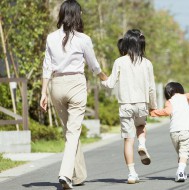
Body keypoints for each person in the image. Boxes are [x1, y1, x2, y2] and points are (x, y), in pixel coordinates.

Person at [39, 0, 107, 189]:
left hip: (56, 85)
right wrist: (104, 77)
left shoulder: (51, 37)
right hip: (76, 84)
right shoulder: (83, 39)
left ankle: (79, 175)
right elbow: (94, 66)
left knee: (70, 131)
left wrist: (43, 93)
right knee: (73, 131)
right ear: (77, 15)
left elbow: (47, 67)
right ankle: (65, 174)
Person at [101, 29, 157, 184]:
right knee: (141, 126)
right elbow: (151, 87)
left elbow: (110, 83)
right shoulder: (147, 63)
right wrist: (153, 106)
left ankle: (132, 174)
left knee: (127, 140)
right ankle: (143, 144)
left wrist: (101, 78)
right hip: (141, 104)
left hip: (125, 105)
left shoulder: (119, 61)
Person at [149, 82, 189, 182]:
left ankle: (182, 172)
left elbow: (167, 112)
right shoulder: (186, 97)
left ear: (168, 92)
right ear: (180, 90)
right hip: (187, 131)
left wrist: (154, 112)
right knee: (184, 154)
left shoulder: (169, 101)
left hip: (174, 133)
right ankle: (180, 172)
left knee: (181, 154)